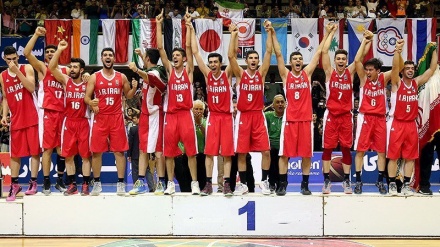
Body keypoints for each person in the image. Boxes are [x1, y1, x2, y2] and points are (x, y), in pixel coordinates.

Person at [271, 22, 330, 196]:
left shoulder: (308, 73)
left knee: (307, 154)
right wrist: (273, 34)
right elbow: (278, 53)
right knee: (284, 155)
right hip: (289, 120)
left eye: (300, 59)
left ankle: (305, 184)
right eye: (295, 59)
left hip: (305, 120)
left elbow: (318, 52)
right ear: (290, 63)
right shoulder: (285, 75)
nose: (298, 61)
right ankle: (283, 184)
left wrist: (327, 33)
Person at [320, 24, 370, 194]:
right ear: (335, 61)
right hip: (331, 116)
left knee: (346, 148)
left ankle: (346, 181)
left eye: (343, 59)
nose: (341, 61)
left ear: (346, 61)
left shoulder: (350, 72)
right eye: (338, 59)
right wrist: (331, 33)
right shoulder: (329, 72)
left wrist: (366, 40)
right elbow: (324, 52)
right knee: (327, 148)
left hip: (346, 116)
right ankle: (326, 181)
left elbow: (359, 58)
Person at [156, 9, 200, 195]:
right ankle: (170, 184)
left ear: (183, 59)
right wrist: (158, 25)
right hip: (171, 115)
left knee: (190, 152)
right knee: (169, 152)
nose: (174, 57)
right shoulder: (170, 71)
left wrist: (189, 26)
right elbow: (160, 49)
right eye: (173, 55)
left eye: (177, 55)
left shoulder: (188, 71)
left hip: (185, 115)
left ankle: (195, 183)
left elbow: (190, 48)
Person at [189, 22, 236, 196]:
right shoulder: (208, 76)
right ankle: (208, 184)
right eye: (211, 62)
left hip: (226, 117)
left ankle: (227, 185)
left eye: (216, 62)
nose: (212, 64)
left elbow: (232, 56)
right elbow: (195, 53)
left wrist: (233, 35)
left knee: (227, 154)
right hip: (214, 117)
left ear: (220, 63)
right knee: (209, 153)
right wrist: (192, 30)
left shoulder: (227, 74)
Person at [84, 47, 138, 196]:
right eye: (105, 55)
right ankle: (97, 183)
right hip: (100, 117)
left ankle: (121, 184)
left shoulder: (121, 77)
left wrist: (133, 89)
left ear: (114, 59)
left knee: (119, 151)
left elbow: (128, 95)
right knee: (96, 152)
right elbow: (86, 97)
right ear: (102, 59)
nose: (108, 57)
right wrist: (91, 102)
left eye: (110, 55)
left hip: (116, 117)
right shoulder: (95, 77)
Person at [387, 40, 437, 196]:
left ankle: (407, 185)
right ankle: (392, 185)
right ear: (403, 71)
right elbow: (395, 67)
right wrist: (398, 51)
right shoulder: (397, 83)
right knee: (394, 156)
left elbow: (432, 69)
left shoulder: (416, 83)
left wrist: (434, 50)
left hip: (411, 124)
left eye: (412, 68)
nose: (410, 70)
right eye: (407, 68)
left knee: (410, 157)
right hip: (397, 123)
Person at [229, 20, 272, 196]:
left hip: (258, 115)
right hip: (243, 116)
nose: (254, 60)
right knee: (241, 152)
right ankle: (244, 184)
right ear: (246, 61)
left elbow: (269, 51)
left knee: (266, 151)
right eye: (251, 58)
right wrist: (233, 35)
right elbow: (231, 57)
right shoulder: (241, 74)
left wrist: (269, 32)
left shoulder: (261, 74)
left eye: (256, 58)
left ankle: (264, 181)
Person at [23, 26, 68, 195]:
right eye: (48, 51)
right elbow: (27, 53)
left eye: (53, 51)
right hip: (48, 112)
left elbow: (77, 79)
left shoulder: (65, 70)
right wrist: (35, 35)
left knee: (62, 150)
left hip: (63, 113)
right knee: (48, 149)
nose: (50, 53)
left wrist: (84, 76)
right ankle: (46, 182)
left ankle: (60, 181)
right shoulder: (42, 68)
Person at [48, 40, 92, 196]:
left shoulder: (88, 82)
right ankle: (72, 184)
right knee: (68, 155)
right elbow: (52, 67)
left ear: (81, 70)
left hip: (84, 121)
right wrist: (59, 50)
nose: (72, 69)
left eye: (75, 67)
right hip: (69, 122)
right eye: (71, 66)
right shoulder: (66, 81)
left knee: (86, 155)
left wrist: (89, 75)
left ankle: (86, 184)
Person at [354, 30, 392, 194]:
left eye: (371, 70)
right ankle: (358, 182)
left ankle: (380, 181)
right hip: (365, 118)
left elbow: (398, 67)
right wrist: (365, 40)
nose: (368, 72)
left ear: (378, 70)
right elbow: (357, 60)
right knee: (360, 151)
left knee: (381, 152)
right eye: (367, 69)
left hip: (380, 119)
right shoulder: (363, 79)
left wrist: (397, 50)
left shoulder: (384, 78)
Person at [1, 46, 40, 201]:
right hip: (16, 119)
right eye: (9, 59)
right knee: (15, 154)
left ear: (18, 57)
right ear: (4, 59)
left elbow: (31, 88)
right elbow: (5, 96)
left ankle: (34, 182)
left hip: (31, 116)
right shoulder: (2, 76)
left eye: (14, 58)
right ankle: (15, 185)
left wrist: (17, 72)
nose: (12, 61)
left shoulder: (27, 67)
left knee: (34, 151)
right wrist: (4, 115)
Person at [128, 48, 167, 195]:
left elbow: (153, 79)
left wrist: (137, 69)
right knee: (143, 149)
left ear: (148, 58)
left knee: (158, 151)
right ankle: (140, 181)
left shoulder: (155, 73)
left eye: (144, 57)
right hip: (145, 115)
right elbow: (147, 72)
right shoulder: (149, 70)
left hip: (155, 115)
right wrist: (139, 55)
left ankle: (161, 182)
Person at [264, 94, 285, 193]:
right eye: (277, 102)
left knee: (282, 165)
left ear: (285, 104)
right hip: (271, 146)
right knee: (272, 165)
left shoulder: (288, 116)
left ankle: (282, 184)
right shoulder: (268, 115)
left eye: (282, 102)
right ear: (273, 105)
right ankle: (271, 183)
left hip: (284, 146)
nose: (280, 104)